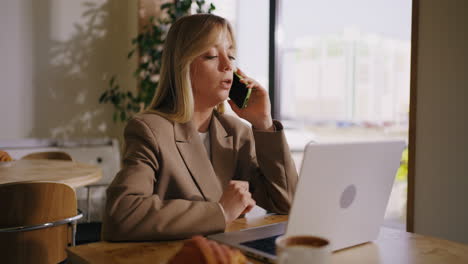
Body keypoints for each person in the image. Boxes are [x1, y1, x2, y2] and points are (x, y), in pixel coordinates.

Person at [103, 13, 298, 241]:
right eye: (211, 55)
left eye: (231, 54)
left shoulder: (236, 133)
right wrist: (221, 212)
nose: (227, 66)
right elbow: (122, 215)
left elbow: (287, 203)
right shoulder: (150, 130)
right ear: (183, 66)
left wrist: (264, 124)